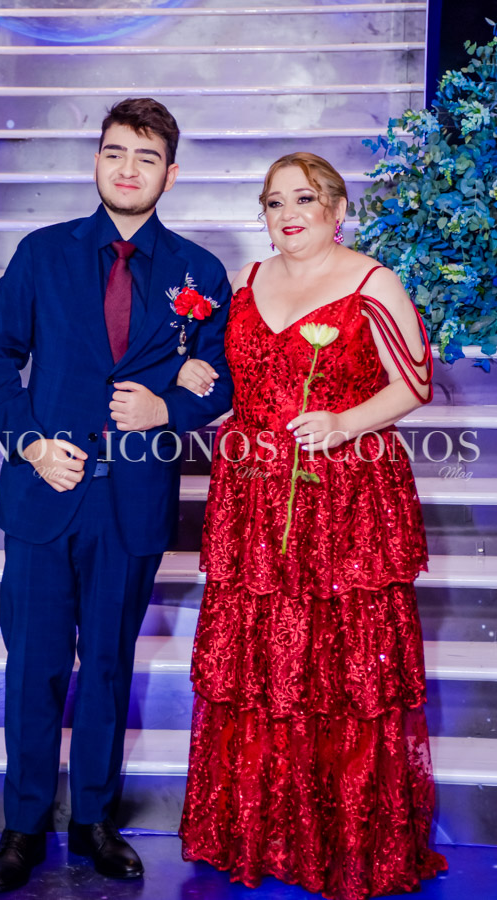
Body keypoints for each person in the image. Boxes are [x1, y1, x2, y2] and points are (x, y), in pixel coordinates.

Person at [0, 97, 233, 893]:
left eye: (146, 157)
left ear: (170, 174)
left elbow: (220, 381)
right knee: (35, 667)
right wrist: (29, 442)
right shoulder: (41, 253)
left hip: (133, 500)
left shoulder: (199, 272)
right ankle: (22, 826)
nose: (128, 168)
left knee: (110, 666)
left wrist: (168, 408)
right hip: (45, 493)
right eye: (115, 152)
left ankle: (93, 821)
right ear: (95, 161)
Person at [178, 152, 448, 899]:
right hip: (255, 495)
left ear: (336, 208)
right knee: (261, 661)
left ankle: (341, 833)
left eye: (303, 198)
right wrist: (191, 372)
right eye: (274, 202)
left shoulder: (372, 282)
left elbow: (415, 382)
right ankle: (261, 830)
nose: (288, 214)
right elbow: (230, 374)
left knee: (339, 663)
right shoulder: (247, 281)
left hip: (344, 495)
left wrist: (343, 422)